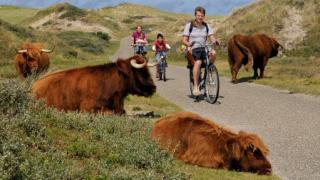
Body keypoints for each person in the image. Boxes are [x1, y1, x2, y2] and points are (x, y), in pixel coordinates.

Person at [182, 6, 220, 96]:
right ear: (195, 15)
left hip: (204, 48)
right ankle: (195, 86)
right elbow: (184, 40)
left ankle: (208, 71)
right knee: (198, 63)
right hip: (194, 49)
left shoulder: (206, 26)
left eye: (202, 16)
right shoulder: (189, 26)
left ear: (204, 16)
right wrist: (189, 45)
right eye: (198, 15)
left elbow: (211, 37)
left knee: (214, 53)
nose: (200, 17)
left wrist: (215, 41)